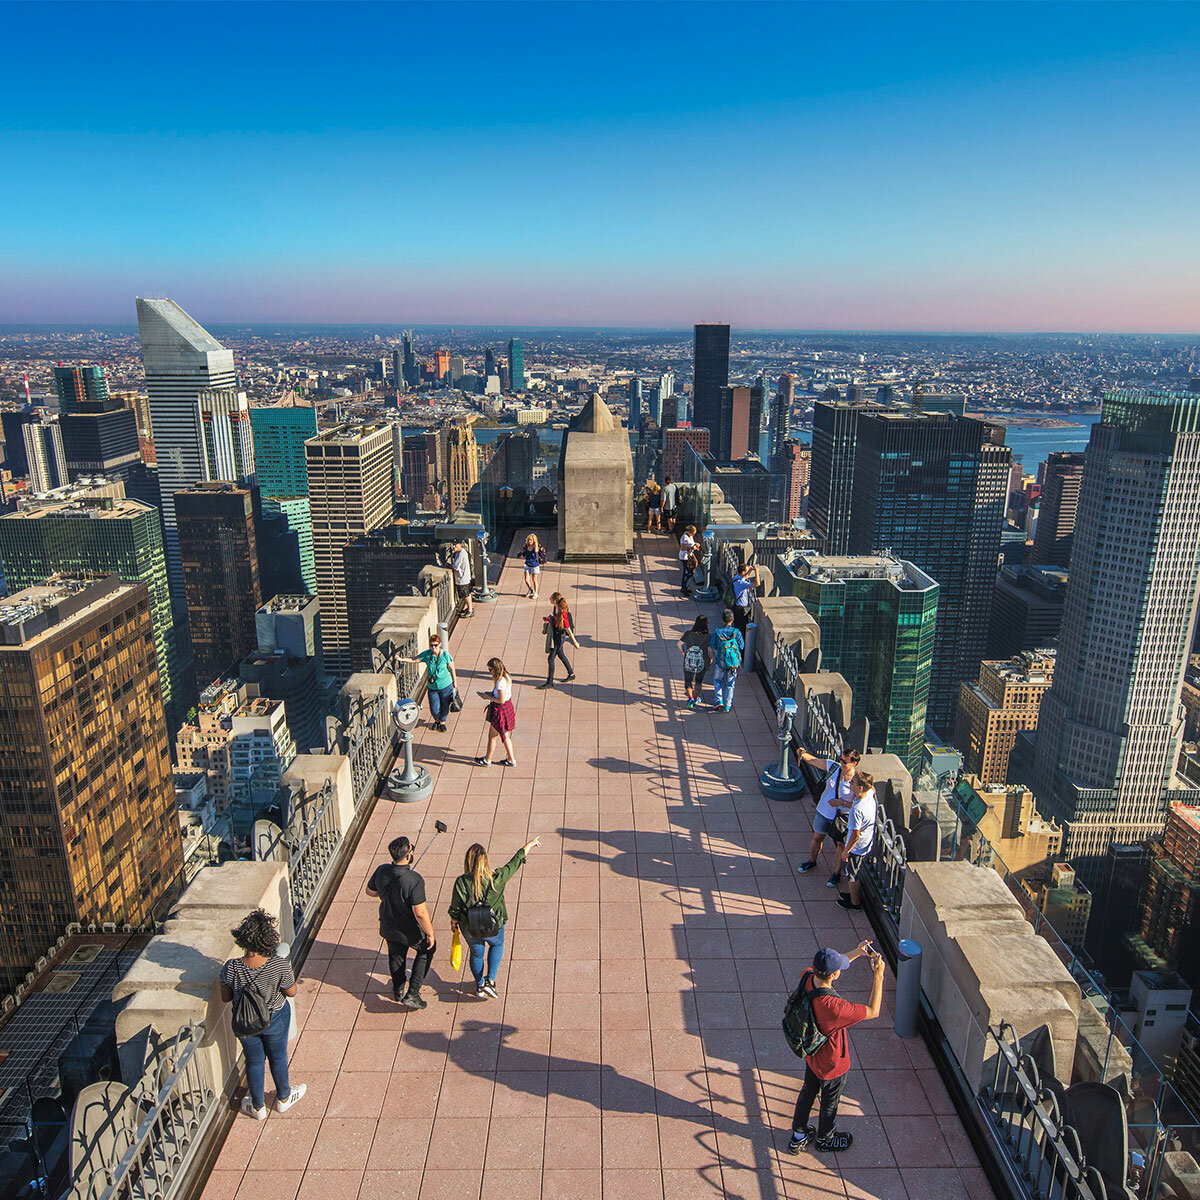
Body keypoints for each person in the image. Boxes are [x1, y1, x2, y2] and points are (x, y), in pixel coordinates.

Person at [786, 942, 885, 1154]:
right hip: (833, 1064)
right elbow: (873, 1010)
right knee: (829, 1103)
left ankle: (798, 1135)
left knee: (808, 1092)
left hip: (812, 1055)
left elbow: (836, 964)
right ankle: (825, 1139)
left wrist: (857, 953)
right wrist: (878, 976)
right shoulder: (835, 1008)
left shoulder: (808, 976)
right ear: (834, 975)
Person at [220, 909, 305, 1119]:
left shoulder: (232, 967)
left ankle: (258, 1107)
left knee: (254, 1061)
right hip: (275, 1016)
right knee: (277, 1056)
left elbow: (225, 997)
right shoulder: (278, 965)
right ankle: (284, 1098)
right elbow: (292, 992)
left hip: (245, 1022)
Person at [448, 838, 540, 998]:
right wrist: (529, 845)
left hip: (470, 927)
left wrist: (454, 921)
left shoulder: (461, 882)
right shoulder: (497, 878)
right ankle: (491, 980)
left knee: (476, 954)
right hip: (493, 923)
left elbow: (455, 906)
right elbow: (514, 863)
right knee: (497, 946)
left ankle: (480, 985)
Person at [366, 836, 437, 1008]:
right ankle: (413, 993)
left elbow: (370, 891)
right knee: (427, 950)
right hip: (409, 928)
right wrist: (430, 933)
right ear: (407, 856)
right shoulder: (414, 879)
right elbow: (420, 912)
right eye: (411, 850)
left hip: (389, 924)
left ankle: (398, 990)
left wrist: (386, 895)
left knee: (396, 956)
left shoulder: (382, 870)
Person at [796, 748, 861, 889]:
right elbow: (814, 761)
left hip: (841, 817)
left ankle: (836, 872)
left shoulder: (857, 781)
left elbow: (858, 804)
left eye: (845, 761)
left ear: (854, 763)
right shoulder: (834, 767)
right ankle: (812, 861)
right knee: (817, 837)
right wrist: (802, 753)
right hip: (824, 811)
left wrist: (841, 803)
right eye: (841, 759)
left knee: (840, 845)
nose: (841, 763)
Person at [396, 631, 457, 732]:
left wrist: (455, 681)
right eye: (431, 646)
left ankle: (442, 722)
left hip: (446, 685)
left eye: (436, 645)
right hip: (433, 686)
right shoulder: (427, 655)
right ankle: (437, 719)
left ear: (440, 644)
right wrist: (401, 659)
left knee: (445, 705)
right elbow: (415, 659)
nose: (433, 648)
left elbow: (452, 668)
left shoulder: (445, 655)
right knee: (434, 707)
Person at [836, 772, 878, 912]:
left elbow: (855, 834)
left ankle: (855, 903)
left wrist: (847, 851)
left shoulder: (857, 809)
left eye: (853, 783)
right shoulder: (869, 795)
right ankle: (853, 897)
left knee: (852, 874)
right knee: (853, 871)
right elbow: (873, 789)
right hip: (866, 841)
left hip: (857, 848)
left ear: (860, 788)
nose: (850, 784)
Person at [475, 656, 516, 766]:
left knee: (493, 737)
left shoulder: (500, 682)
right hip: (507, 708)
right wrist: (490, 694)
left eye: (490, 669)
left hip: (500, 711)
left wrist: (487, 698)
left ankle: (487, 760)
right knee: (505, 735)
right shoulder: (507, 676)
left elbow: (501, 700)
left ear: (495, 669)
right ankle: (511, 759)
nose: (490, 672)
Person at [538, 591, 580, 688]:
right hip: (556, 634)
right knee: (560, 654)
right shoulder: (555, 608)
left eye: (551, 598)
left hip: (559, 637)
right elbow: (555, 618)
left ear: (555, 600)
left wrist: (575, 642)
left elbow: (568, 629)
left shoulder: (562, 613)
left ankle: (549, 682)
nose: (550, 599)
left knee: (550, 659)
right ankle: (571, 674)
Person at [709, 608, 744, 712]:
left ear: (722, 620)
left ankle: (719, 701)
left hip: (720, 661)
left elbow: (712, 646)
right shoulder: (736, 632)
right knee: (730, 684)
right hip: (733, 662)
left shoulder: (717, 632)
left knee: (717, 680)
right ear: (732, 620)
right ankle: (728, 705)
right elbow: (742, 646)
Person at [679, 615, 711, 709]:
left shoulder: (689, 634)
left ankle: (690, 698)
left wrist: (683, 651)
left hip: (689, 660)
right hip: (702, 661)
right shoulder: (708, 636)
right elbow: (710, 649)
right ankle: (695, 698)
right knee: (698, 681)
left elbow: (679, 644)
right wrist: (711, 658)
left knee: (688, 681)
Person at [731, 561, 760, 637]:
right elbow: (757, 584)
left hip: (736, 607)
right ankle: (740, 647)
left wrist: (750, 570)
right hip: (741, 610)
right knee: (741, 630)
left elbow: (745, 576)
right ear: (743, 572)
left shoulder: (736, 578)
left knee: (738, 627)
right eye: (747, 571)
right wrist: (756, 571)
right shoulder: (741, 583)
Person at [451, 539, 474, 617]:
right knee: (467, 593)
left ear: (461, 544)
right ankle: (469, 608)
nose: (454, 546)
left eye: (455, 545)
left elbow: (455, 567)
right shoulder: (460, 552)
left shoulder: (461, 554)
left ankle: (470, 610)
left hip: (462, 578)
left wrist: (449, 565)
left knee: (465, 594)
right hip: (464, 577)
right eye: (453, 544)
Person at [521, 534, 545, 600]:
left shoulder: (536, 547)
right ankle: (530, 589)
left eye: (531, 540)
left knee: (534, 579)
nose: (529, 542)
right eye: (529, 540)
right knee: (526, 579)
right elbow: (524, 553)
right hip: (527, 564)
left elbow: (536, 551)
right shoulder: (526, 546)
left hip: (535, 565)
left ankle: (536, 593)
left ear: (534, 541)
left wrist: (535, 545)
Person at [678, 524, 697, 593]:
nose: (693, 535)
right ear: (689, 532)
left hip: (689, 556)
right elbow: (682, 548)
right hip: (685, 557)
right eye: (693, 533)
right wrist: (692, 547)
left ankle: (685, 586)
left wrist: (695, 545)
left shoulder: (690, 536)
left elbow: (692, 544)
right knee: (687, 573)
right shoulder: (684, 538)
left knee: (689, 572)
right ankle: (684, 587)